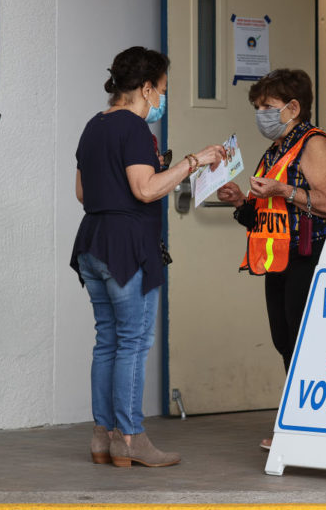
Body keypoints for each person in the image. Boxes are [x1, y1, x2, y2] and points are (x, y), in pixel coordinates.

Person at [70, 46, 225, 468]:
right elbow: (145, 189)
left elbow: (83, 193)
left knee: (108, 340)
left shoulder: (92, 126)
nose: (162, 97)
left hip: (92, 241)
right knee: (134, 342)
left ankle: (103, 438)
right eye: (162, 89)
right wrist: (195, 161)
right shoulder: (134, 128)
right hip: (127, 247)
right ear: (145, 88)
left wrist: (151, 173)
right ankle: (131, 438)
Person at [216, 69, 326, 450]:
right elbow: (264, 213)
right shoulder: (277, 148)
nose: (261, 113)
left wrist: (283, 189)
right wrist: (241, 201)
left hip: (312, 256)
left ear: (293, 107)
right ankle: (300, 423)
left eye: (267, 106)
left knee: (308, 341)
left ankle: (307, 426)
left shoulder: (313, 144)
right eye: (258, 106)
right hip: (278, 260)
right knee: (286, 341)